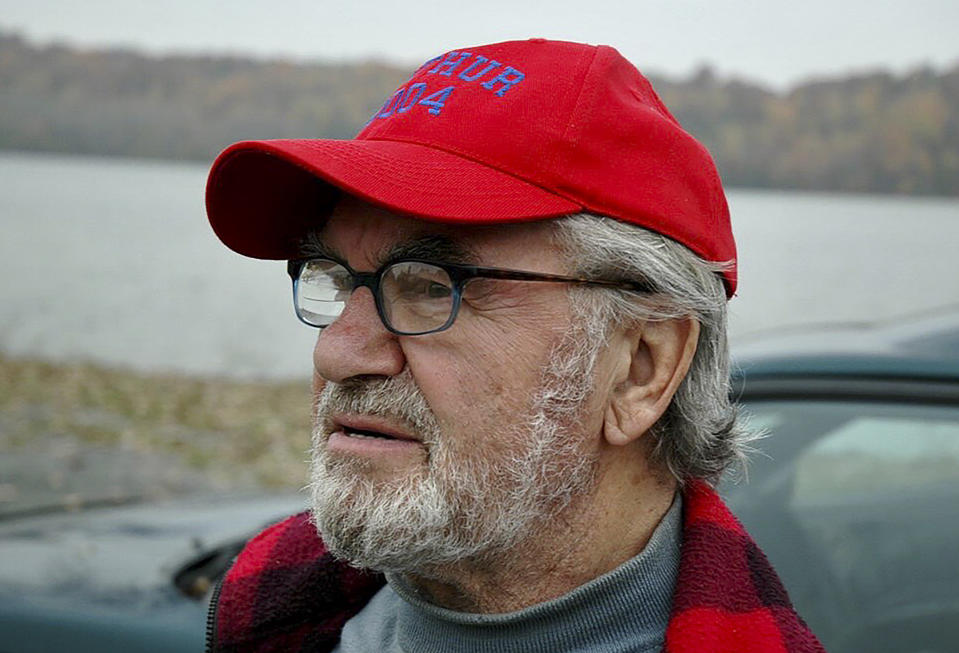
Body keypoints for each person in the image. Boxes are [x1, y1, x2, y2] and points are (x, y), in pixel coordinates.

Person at [204, 38, 824, 653]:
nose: (336, 354)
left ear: (641, 370)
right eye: (334, 278)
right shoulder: (267, 616)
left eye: (428, 285)